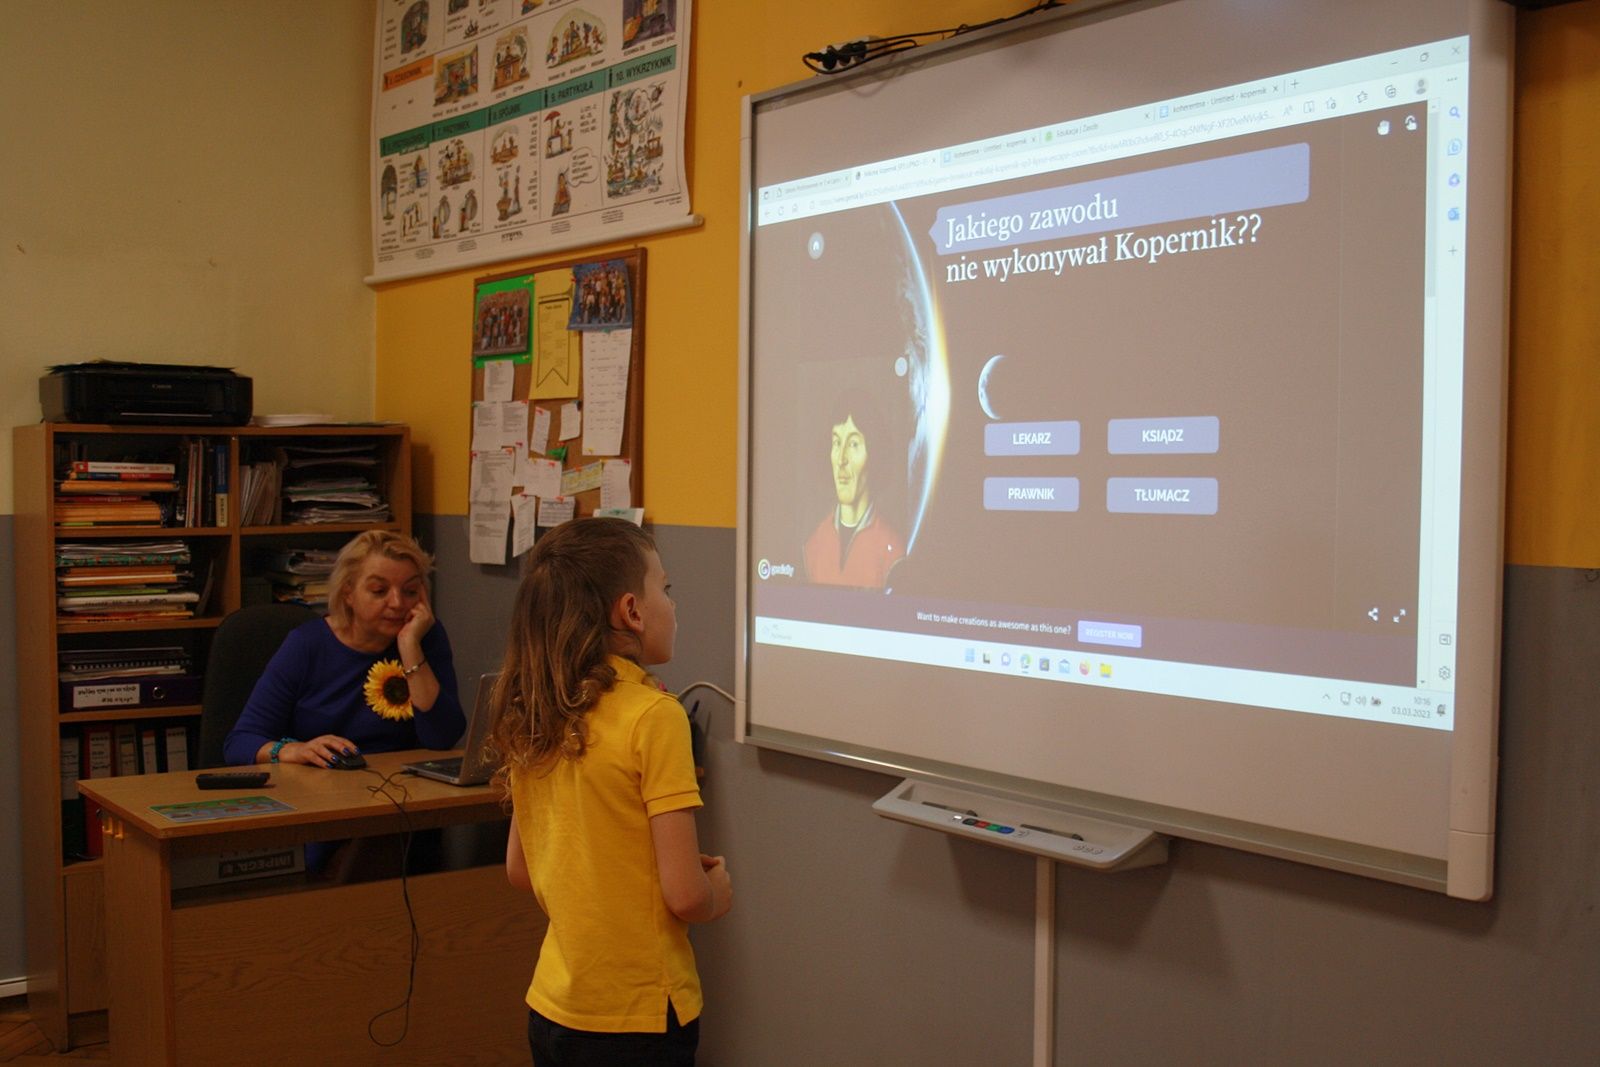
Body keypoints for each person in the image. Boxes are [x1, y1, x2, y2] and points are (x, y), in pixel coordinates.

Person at [490, 518, 731, 1066]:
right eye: (664, 588)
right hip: (638, 1017)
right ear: (631, 611)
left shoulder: (538, 708)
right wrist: (716, 892)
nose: (672, 603)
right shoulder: (655, 717)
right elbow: (686, 897)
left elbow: (521, 868)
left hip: (555, 1007)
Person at [224, 530, 465, 768]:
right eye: (379, 591)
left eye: (410, 591)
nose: (397, 603)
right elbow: (240, 743)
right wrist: (293, 750)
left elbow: (442, 739)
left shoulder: (424, 636)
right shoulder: (306, 645)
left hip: (399, 782)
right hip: (320, 783)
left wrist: (410, 646)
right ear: (348, 593)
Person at [803, 392, 905, 587]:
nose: (841, 459)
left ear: (874, 454)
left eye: (853, 444)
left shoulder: (894, 553)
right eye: (836, 442)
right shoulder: (812, 547)